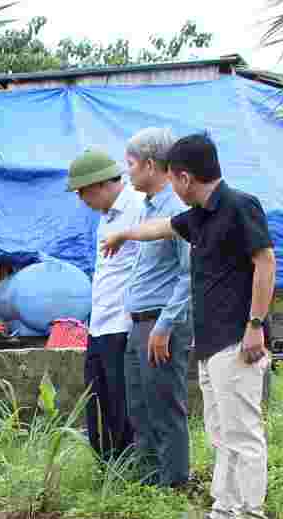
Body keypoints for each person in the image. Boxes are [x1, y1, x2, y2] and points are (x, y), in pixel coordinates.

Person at [103, 132, 276, 519]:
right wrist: (124, 234)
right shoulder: (199, 216)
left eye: (172, 178)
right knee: (219, 431)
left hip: (237, 338)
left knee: (243, 430)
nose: (171, 187)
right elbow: (161, 228)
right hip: (209, 342)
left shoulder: (240, 205)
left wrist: (255, 325)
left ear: (183, 177)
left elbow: (266, 262)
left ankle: (252, 516)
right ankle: (224, 508)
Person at [118, 127, 194, 490]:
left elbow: (189, 274)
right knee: (141, 408)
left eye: (130, 164)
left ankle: (173, 487)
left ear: (150, 165)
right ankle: (147, 486)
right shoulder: (149, 209)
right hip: (140, 322)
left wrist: (165, 325)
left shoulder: (177, 210)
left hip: (161, 321)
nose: (127, 172)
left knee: (164, 407)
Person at [66, 148, 145, 463]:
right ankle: (107, 465)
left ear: (100, 184)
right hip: (100, 323)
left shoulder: (138, 207)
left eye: (82, 192)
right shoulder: (106, 218)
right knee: (98, 399)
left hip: (123, 322)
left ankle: (128, 466)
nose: (81, 199)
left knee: (122, 400)